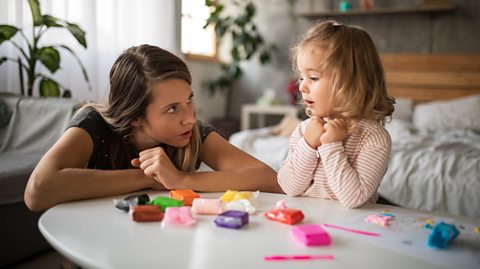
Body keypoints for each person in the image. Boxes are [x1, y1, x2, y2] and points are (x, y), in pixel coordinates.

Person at [25, 44, 282, 211]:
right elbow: (37, 191)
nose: (190, 118)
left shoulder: (192, 133)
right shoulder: (93, 124)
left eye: (189, 100)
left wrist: (182, 179)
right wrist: (150, 178)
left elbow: (268, 179)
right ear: (135, 115)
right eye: (172, 108)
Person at [277, 20, 395, 209]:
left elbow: (354, 198)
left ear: (352, 82)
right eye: (301, 77)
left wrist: (331, 145)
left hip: (351, 231)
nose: (301, 86)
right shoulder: (304, 130)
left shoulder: (372, 137)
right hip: (306, 223)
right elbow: (289, 187)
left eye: (313, 77)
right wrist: (308, 145)